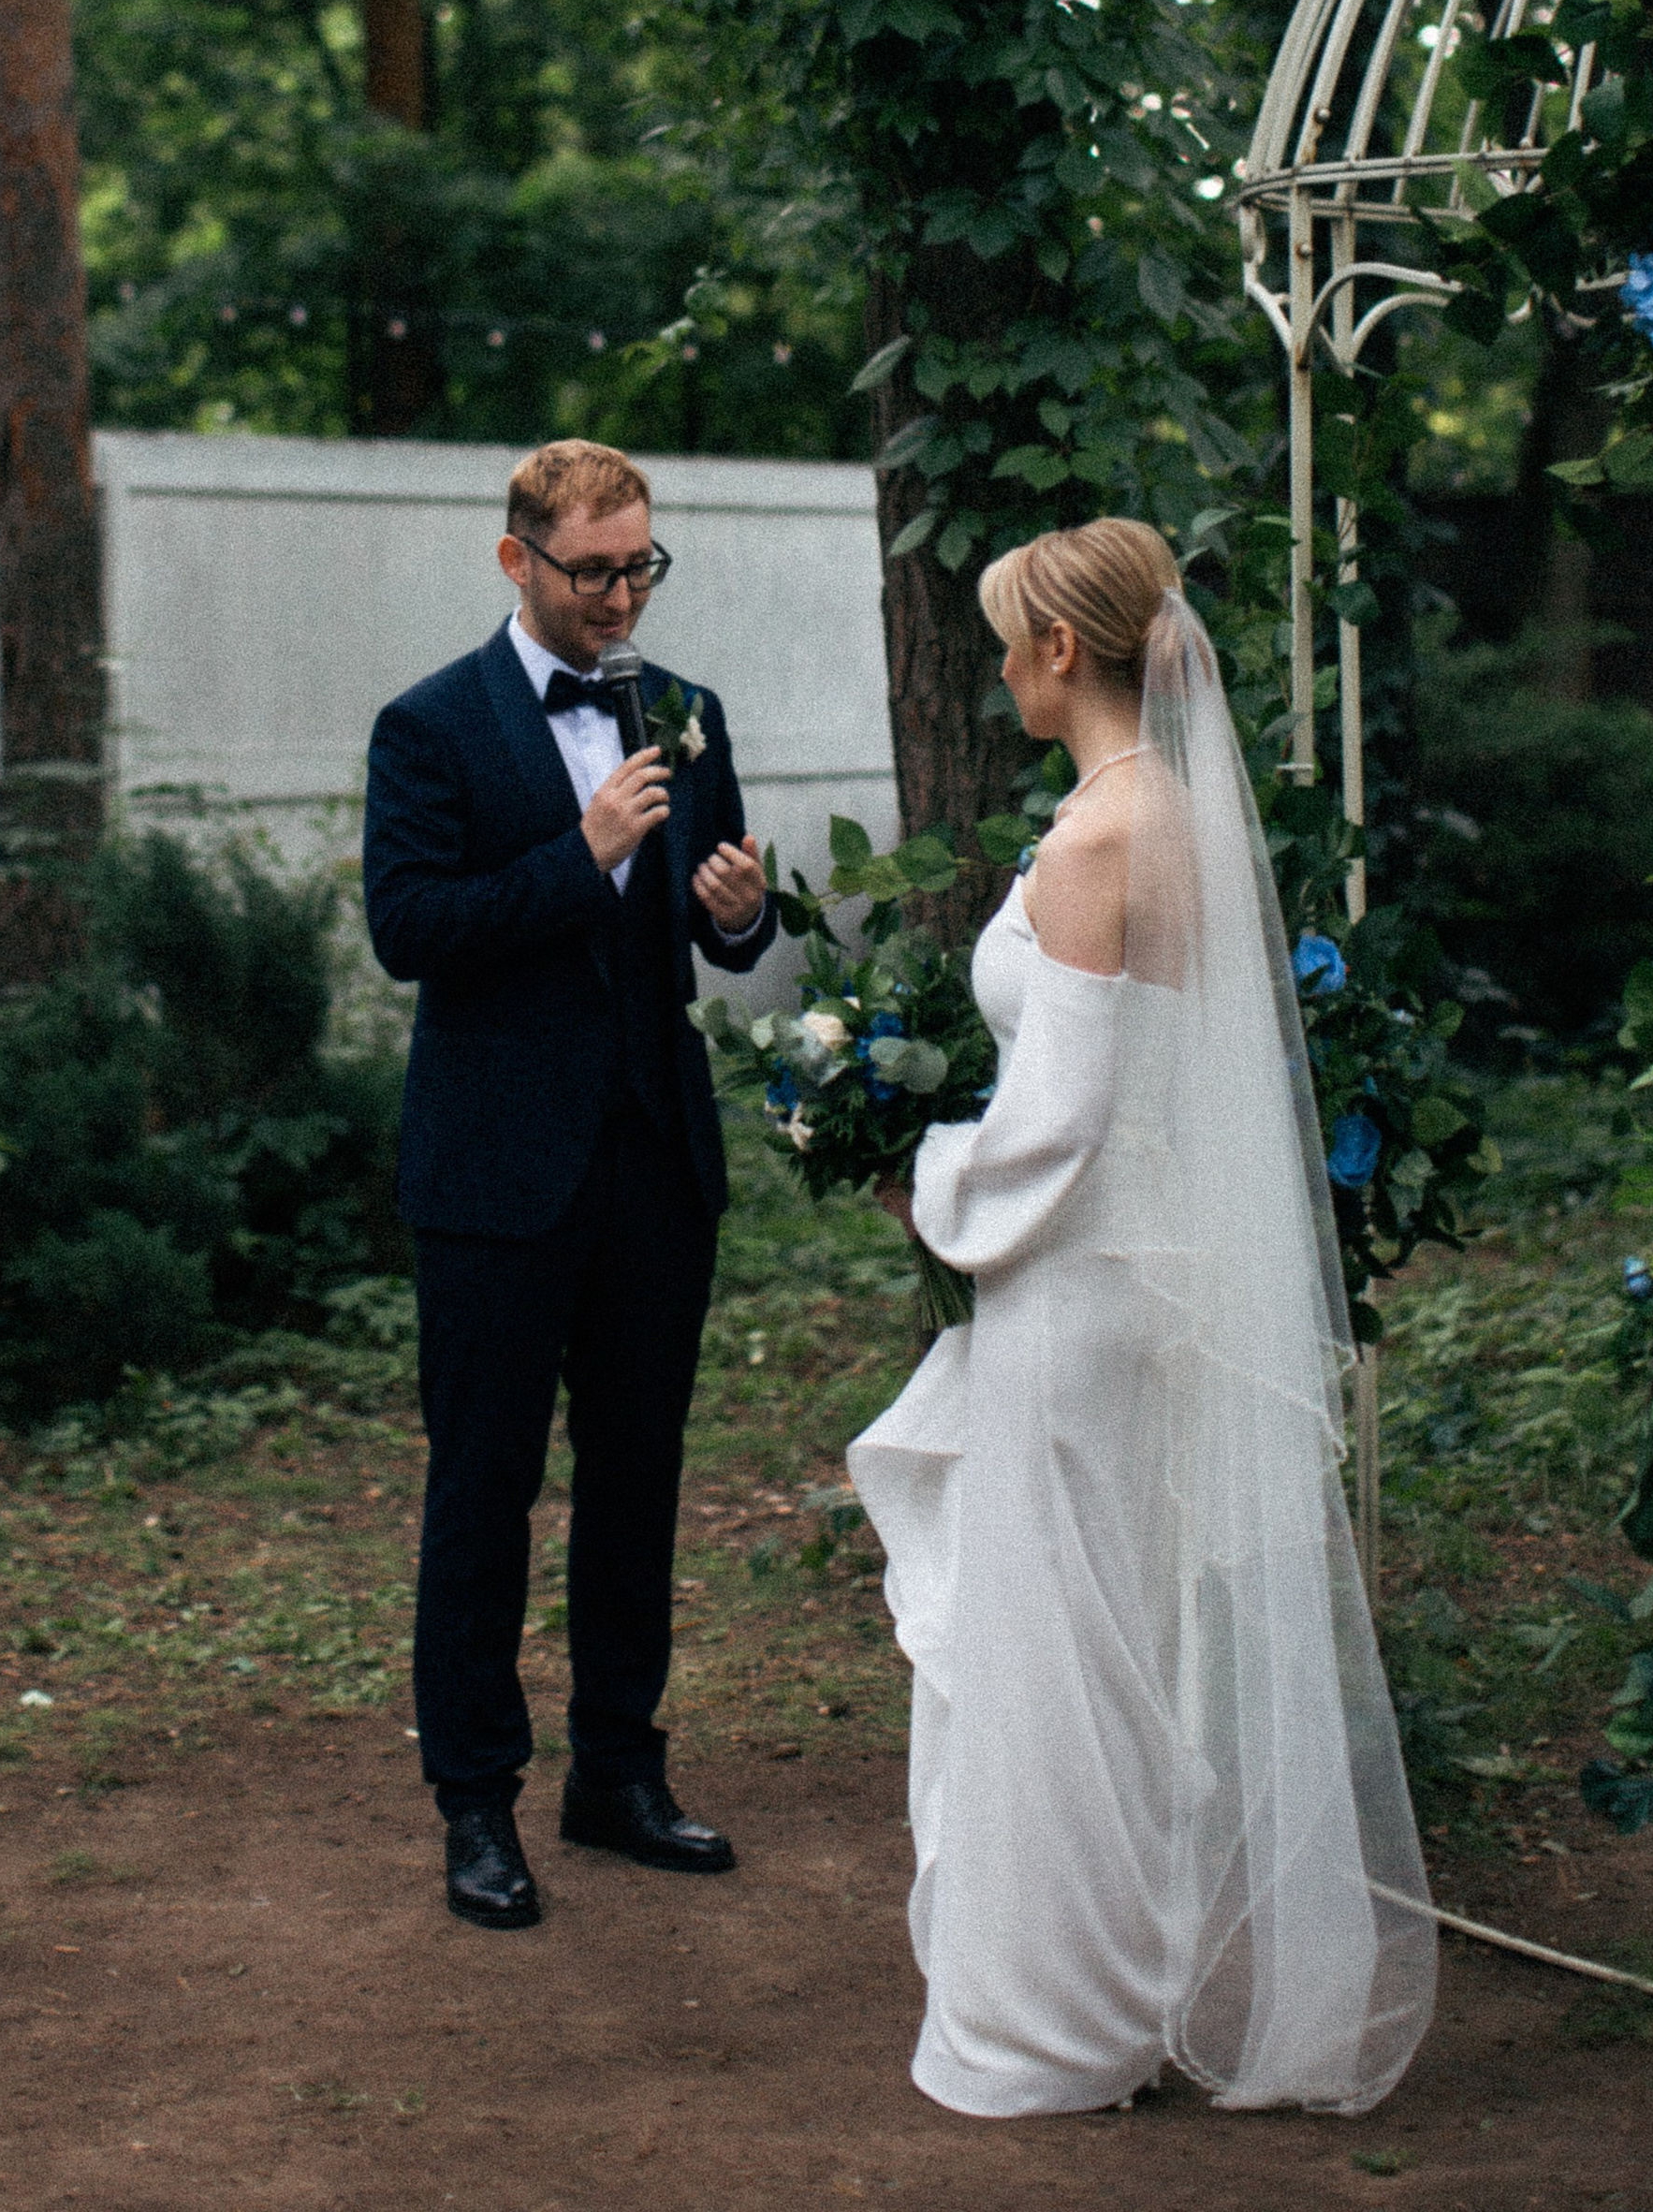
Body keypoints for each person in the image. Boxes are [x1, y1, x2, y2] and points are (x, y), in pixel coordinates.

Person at [848, 517, 1437, 2117]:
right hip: (1121, 1281)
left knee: (1061, 1653)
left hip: (1075, 1287)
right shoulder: (1152, 809)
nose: (994, 667)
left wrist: (924, 1175)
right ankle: (1092, 1993)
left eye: (1003, 639)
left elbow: (1065, 1118)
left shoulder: (1106, 834)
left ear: (1061, 653)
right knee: (1108, 1640)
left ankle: (1053, 2028)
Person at [363, 438, 777, 1932]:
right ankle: (477, 1804)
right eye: (592, 570)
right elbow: (409, 928)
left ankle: (620, 1772)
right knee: (483, 1489)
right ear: (515, 559)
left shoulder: (688, 712)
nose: (620, 597)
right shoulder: (428, 728)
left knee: (639, 1477)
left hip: (654, 1157)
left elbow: (713, 924)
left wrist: (739, 912)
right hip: (492, 1173)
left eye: (639, 566)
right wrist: (580, 850)